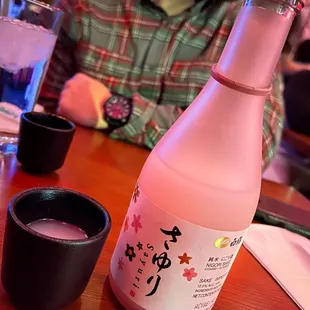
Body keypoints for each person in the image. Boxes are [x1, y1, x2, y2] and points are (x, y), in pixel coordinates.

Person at [40, 0, 284, 171]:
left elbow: (253, 149)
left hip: (182, 206)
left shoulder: (250, 21)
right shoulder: (87, 6)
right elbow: (44, 106)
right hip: (78, 181)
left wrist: (114, 110)